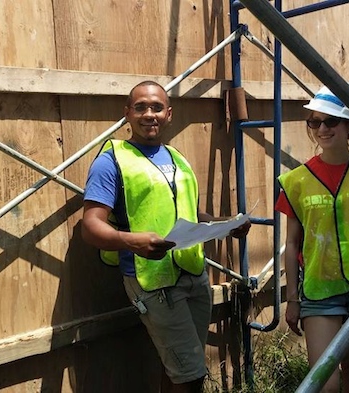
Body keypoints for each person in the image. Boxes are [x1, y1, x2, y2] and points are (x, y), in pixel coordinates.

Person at [81, 80, 251, 393]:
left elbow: (189, 213)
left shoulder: (176, 158)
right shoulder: (111, 161)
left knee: (180, 367)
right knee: (191, 376)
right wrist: (134, 242)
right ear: (127, 114)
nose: (150, 114)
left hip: (192, 275)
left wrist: (223, 224)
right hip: (152, 281)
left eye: (157, 107)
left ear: (169, 114)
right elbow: (91, 226)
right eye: (141, 107)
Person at [276, 85, 349, 392]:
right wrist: (292, 298)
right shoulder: (295, 181)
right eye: (314, 122)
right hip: (318, 290)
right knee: (324, 384)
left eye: (330, 121)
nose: (321, 129)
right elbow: (291, 244)